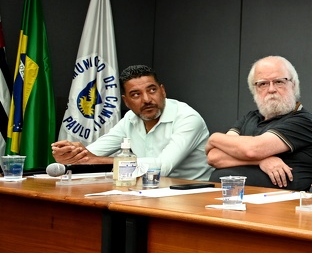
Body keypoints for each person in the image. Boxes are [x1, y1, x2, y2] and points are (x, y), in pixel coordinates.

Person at [51, 64, 211, 180]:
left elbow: (162, 168)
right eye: (136, 94)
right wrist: (72, 155)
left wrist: (93, 159)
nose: (147, 99)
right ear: (126, 101)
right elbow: (93, 153)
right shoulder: (130, 119)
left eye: (152, 90)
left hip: (189, 193)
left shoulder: (187, 118)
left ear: (163, 90)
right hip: (147, 190)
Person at [206, 55, 312, 191]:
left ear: (293, 85)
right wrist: (260, 161)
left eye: (279, 82)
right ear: (254, 89)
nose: (271, 89)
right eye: (263, 84)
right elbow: (214, 157)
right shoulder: (250, 118)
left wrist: (214, 138)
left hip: (281, 205)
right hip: (233, 200)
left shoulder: (302, 121)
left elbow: (253, 150)